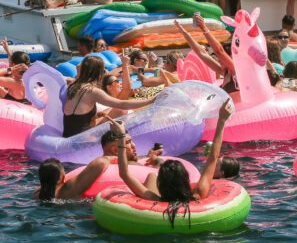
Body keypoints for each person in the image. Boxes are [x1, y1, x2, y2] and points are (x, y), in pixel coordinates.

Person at [111, 99, 234, 227]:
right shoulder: (199, 193)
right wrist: (222, 120)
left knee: (151, 177)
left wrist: (121, 137)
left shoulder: (153, 199)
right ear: (186, 179)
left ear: (161, 184)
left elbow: (124, 173)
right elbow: (213, 157)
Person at [62, 55, 156, 138]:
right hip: (80, 139)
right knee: (120, 111)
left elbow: (77, 116)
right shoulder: (92, 91)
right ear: (99, 73)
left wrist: (97, 115)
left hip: (68, 134)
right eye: (103, 71)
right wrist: (151, 100)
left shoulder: (73, 86)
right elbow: (122, 104)